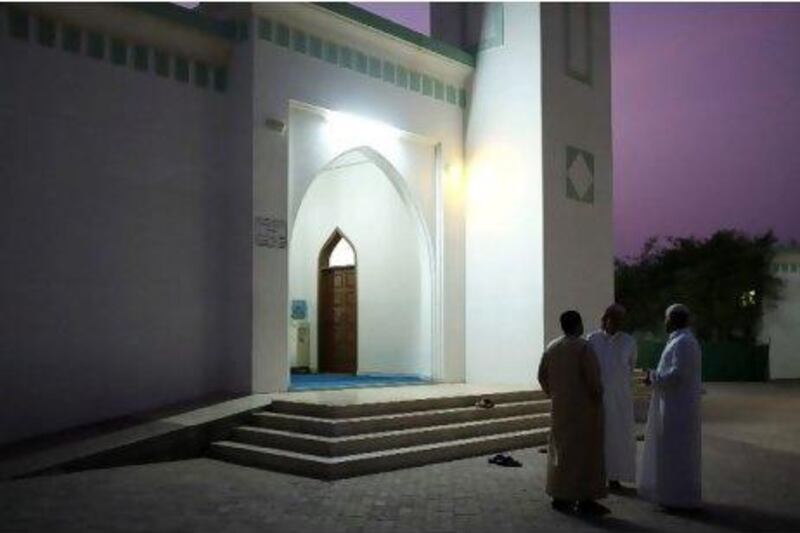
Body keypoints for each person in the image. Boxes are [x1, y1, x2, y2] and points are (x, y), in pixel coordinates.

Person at [538, 310, 609, 515]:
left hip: (561, 409)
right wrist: (598, 399)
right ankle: (585, 498)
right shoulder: (583, 348)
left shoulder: (552, 347)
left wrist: (554, 394)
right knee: (586, 455)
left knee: (561, 452)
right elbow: (594, 382)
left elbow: (542, 376)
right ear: (578, 325)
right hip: (584, 411)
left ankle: (559, 493)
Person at [639, 304, 703, 511]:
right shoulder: (680, 340)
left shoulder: (683, 342)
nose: (664, 321)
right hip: (673, 404)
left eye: (666, 318)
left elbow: (677, 375)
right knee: (671, 452)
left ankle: (678, 498)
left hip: (677, 408)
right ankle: (671, 495)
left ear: (674, 320)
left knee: (676, 452)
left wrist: (654, 377)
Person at [588, 304, 638, 490]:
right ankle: (596, 476)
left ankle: (615, 477)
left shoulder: (629, 342)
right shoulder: (593, 339)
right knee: (599, 437)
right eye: (613, 319)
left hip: (620, 399)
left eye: (619, 320)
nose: (616, 323)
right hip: (598, 398)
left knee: (618, 438)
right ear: (605, 319)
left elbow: (631, 366)